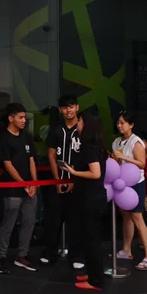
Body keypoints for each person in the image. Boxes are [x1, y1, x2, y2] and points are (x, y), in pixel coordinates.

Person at [60, 112, 108, 291]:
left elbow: (95, 173)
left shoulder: (89, 147)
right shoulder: (95, 146)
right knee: (89, 238)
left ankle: (96, 281)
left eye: (79, 121)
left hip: (91, 199)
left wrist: (73, 172)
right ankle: (93, 273)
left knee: (92, 240)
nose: (77, 123)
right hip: (90, 197)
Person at [40, 95, 84, 270]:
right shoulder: (56, 130)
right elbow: (51, 155)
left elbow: (86, 156)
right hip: (57, 179)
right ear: (60, 110)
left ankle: (77, 255)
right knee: (53, 219)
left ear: (77, 107)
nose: (68, 110)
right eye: (65, 107)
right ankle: (50, 252)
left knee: (77, 220)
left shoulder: (83, 129)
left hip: (79, 181)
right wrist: (57, 179)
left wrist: (75, 179)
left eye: (71, 106)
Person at [0, 104, 39, 275]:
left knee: (29, 221)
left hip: (30, 188)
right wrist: (23, 183)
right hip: (13, 188)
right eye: (20, 117)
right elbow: (7, 164)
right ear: (11, 118)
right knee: (9, 223)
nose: (23, 121)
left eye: (24, 118)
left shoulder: (27, 137)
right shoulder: (4, 138)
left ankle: (22, 255)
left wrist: (34, 183)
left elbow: (31, 160)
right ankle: (1, 256)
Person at [111, 112, 147, 271]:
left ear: (131, 124)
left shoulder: (136, 142)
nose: (119, 125)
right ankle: (126, 249)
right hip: (121, 183)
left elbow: (141, 163)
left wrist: (125, 159)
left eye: (123, 123)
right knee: (125, 216)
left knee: (137, 218)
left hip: (135, 183)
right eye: (118, 123)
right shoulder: (116, 141)